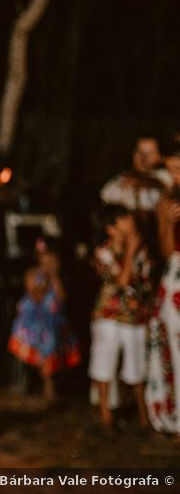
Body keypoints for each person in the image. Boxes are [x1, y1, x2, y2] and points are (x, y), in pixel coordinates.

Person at [89, 204, 154, 431]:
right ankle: (106, 416)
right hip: (108, 315)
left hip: (134, 316)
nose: (131, 222)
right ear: (111, 228)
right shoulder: (103, 251)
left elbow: (144, 282)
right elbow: (123, 280)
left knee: (137, 366)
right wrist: (130, 250)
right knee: (104, 364)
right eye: (124, 220)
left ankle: (144, 416)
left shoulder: (142, 251)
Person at [7, 238, 81, 401]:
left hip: (55, 320)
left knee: (53, 336)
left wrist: (54, 276)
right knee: (46, 338)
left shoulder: (60, 277)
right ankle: (47, 381)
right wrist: (46, 278)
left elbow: (62, 298)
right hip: (32, 321)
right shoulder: (32, 273)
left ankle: (51, 379)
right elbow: (36, 296)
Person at [147, 141, 180, 435]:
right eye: (170, 170)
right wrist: (166, 223)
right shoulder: (166, 202)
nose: (175, 176)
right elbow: (167, 251)